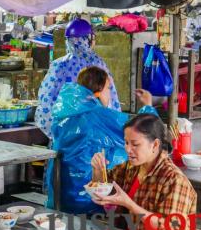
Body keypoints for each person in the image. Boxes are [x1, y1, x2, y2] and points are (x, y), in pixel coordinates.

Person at [44, 66, 157, 214]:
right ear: (97, 91)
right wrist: (148, 106)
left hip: (61, 194)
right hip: (90, 197)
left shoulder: (63, 114)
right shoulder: (98, 116)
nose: (110, 93)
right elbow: (142, 130)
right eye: (108, 88)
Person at [90, 114, 196, 230]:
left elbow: (168, 229)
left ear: (154, 145)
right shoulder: (130, 167)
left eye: (135, 144)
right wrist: (98, 172)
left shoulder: (174, 180)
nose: (128, 149)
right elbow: (105, 188)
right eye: (126, 143)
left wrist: (129, 204)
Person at [35, 18, 120, 140]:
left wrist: (61, 136)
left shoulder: (59, 65)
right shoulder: (98, 63)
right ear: (88, 39)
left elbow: (45, 105)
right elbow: (113, 103)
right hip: (96, 135)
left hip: (66, 137)